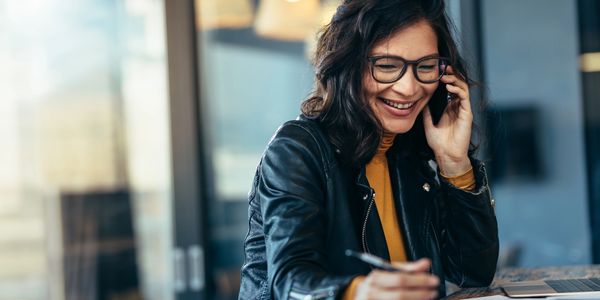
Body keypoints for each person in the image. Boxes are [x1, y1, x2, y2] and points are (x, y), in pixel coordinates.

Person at [239, 0, 499, 299]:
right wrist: (359, 292)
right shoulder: (296, 149)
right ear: (348, 65)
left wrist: (454, 163)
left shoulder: (408, 157)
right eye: (387, 66)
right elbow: (289, 282)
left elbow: (473, 274)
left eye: (425, 66)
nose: (409, 88)